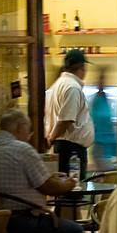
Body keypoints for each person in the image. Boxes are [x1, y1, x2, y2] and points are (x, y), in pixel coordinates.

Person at [44, 48, 91, 179]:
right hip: (72, 151)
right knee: (73, 193)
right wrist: (51, 138)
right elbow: (67, 119)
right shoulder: (72, 88)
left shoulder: (57, 85)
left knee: (65, 191)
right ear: (81, 67)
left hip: (65, 147)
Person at [87, 67, 117, 171]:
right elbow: (99, 119)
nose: (103, 83)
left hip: (107, 144)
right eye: (101, 80)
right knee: (107, 171)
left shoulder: (104, 98)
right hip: (100, 144)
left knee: (109, 171)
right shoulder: (96, 101)